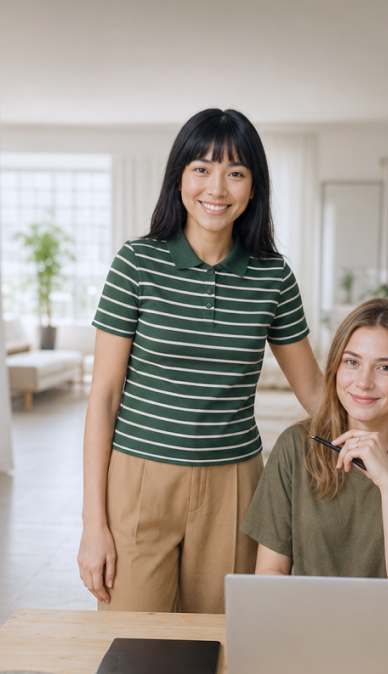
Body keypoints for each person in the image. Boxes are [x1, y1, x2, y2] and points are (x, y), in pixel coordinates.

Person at [77, 108, 323, 613]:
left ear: (253, 188)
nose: (217, 187)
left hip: (233, 484)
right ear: (179, 179)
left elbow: (315, 392)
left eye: (235, 172)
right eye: (202, 169)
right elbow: (102, 398)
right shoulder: (135, 263)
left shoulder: (273, 277)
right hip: (140, 479)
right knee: (131, 642)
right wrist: (93, 525)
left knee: (224, 645)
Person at [243, 298, 388, 580]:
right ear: (335, 368)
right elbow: (270, 571)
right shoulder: (296, 446)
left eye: (385, 368)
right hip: (308, 622)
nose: (363, 382)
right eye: (352, 362)